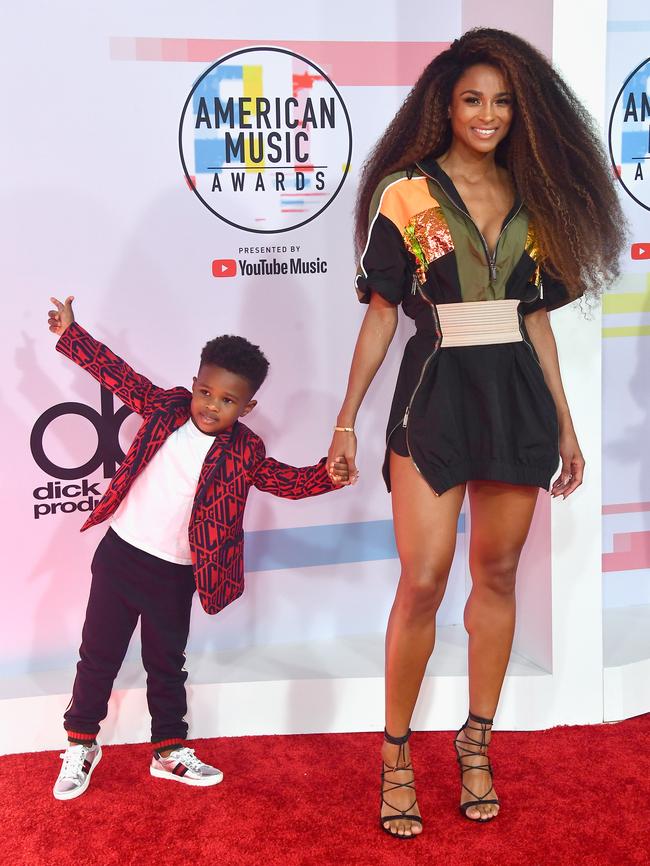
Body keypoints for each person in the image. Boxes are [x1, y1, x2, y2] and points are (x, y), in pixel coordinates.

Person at [326, 27, 625, 836]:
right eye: (472, 100)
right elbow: (385, 316)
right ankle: (394, 754)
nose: (487, 114)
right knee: (423, 579)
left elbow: (535, 325)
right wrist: (347, 418)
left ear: (520, 109)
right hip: (435, 397)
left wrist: (565, 424)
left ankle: (476, 740)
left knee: (496, 576)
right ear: (445, 106)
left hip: (517, 400)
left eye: (501, 101)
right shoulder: (406, 192)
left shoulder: (542, 195)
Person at [48, 296, 348, 800]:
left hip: (176, 574)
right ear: (193, 384)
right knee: (98, 657)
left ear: (247, 406)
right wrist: (72, 334)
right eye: (205, 391)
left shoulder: (246, 451)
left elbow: (285, 481)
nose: (211, 405)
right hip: (121, 556)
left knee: (166, 663)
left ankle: (168, 751)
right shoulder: (165, 408)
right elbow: (119, 376)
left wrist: (327, 476)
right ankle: (81, 743)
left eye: (227, 400)